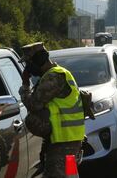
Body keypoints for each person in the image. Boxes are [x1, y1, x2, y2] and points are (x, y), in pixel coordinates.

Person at [19, 42, 85, 177]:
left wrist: (25, 85)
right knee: (71, 175)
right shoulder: (59, 73)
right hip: (70, 140)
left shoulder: (53, 77)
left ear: (38, 60)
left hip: (63, 143)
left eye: (28, 63)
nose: (28, 68)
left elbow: (33, 104)